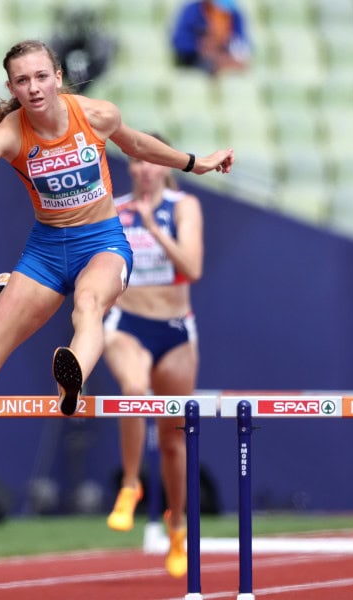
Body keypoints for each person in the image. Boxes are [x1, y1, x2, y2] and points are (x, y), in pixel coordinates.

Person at [0, 39, 232, 418]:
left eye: (42, 77)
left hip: (101, 244)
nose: (33, 88)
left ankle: (71, 383)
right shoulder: (9, 132)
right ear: (11, 88)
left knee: (89, 303)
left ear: (58, 78)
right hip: (45, 254)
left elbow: (138, 145)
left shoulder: (97, 115)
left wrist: (195, 163)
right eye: (23, 80)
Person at [101, 137, 203, 578]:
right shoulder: (113, 208)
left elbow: (194, 268)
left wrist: (154, 228)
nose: (143, 170)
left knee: (172, 440)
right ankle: (130, 485)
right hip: (128, 324)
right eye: (136, 162)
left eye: (150, 163)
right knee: (132, 390)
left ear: (165, 167)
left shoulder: (183, 207)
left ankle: (176, 524)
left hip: (176, 330)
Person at [171, 0, 252, 76]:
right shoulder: (191, 11)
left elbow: (243, 43)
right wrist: (200, 46)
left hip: (226, 56)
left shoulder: (233, 14)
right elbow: (178, 41)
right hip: (196, 59)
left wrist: (225, 43)